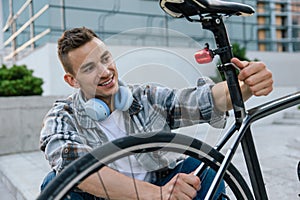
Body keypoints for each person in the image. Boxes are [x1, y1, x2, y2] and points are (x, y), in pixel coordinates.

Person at [40, 27, 273, 200]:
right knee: (56, 185)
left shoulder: (143, 98)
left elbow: (201, 100)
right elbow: (78, 169)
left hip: (160, 186)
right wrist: (159, 194)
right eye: (89, 68)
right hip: (127, 196)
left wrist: (245, 87)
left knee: (204, 167)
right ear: (72, 80)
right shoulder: (62, 117)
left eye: (105, 59)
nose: (105, 72)